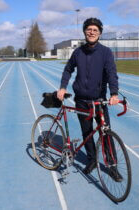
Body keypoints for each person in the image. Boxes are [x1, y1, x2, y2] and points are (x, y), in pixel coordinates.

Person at [57, 17, 122, 181]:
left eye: (95, 30)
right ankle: (92, 160)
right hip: (81, 100)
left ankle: (112, 166)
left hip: (99, 100)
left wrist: (114, 93)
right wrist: (63, 87)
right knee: (87, 133)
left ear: (100, 33)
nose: (92, 32)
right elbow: (68, 70)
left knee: (105, 133)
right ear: (85, 32)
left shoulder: (106, 52)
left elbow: (112, 74)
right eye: (89, 29)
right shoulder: (77, 52)